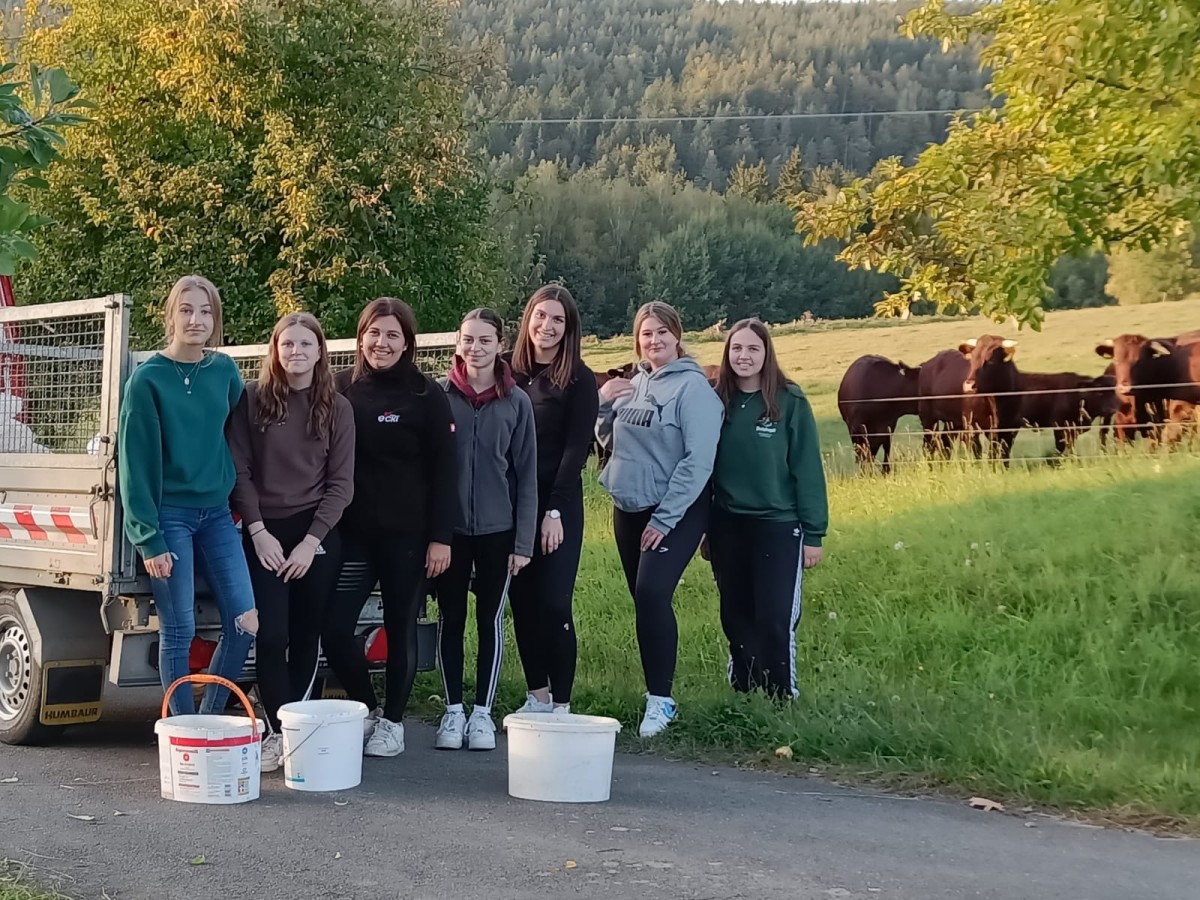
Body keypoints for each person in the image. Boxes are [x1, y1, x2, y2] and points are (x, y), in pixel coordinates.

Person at [322, 298, 457, 757]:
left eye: (392, 335)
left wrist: (441, 536)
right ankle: (370, 709)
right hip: (354, 536)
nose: (382, 343)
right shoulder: (339, 388)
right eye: (374, 333)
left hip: (409, 538)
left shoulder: (426, 394)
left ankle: (394, 724)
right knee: (336, 630)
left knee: (400, 628)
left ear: (407, 343)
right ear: (361, 338)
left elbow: (446, 470)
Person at [117, 275, 257, 717]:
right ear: (171, 315)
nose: (196, 320)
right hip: (169, 516)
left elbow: (244, 436)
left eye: (206, 311)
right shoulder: (148, 380)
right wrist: (148, 538)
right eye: (186, 310)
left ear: (215, 319)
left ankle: (209, 721)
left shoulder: (224, 372)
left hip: (217, 515)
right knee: (180, 631)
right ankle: (182, 731)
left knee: (245, 622)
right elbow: (134, 463)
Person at [227, 312, 355, 773]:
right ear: (275, 350)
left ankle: (296, 732)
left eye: (306, 344)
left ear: (320, 351)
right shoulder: (253, 400)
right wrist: (257, 531)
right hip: (264, 532)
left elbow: (341, 484)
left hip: (315, 534)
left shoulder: (337, 408)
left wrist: (310, 542)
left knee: (306, 636)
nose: (296, 352)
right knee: (272, 633)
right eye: (288, 344)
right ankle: (273, 730)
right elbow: (239, 470)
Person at [596, 301, 723, 737]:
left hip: (675, 509)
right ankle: (654, 694)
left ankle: (661, 703)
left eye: (662, 332)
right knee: (641, 598)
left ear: (677, 336)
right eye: (646, 333)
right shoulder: (636, 382)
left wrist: (665, 519)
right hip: (628, 504)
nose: (654, 340)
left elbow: (698, 462)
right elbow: (611, 439)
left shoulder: (694, 391)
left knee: (652, 594)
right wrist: (602, 407)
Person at [709, 318, 828, 700]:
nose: (744, 356)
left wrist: (814, 534)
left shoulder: (789, 401)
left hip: (778, 525)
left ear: (766, 353)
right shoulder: (717, 401)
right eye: (737, 349)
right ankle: (743, 691)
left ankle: (781, 697)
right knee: (735, 613)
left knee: (774, 616)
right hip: (728, 525)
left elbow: (807, 469)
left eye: (753, 349)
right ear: (728, 354)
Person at [437, 308, 537, 751]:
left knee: (488, 620)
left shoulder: (516, 402)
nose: (475, 348)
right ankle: (453, 710)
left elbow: (527, 474)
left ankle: (482, 712)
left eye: (484, 340)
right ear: (458, 344)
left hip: (499, 530)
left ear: (501, 345)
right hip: (450, 532)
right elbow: (429, 472)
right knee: (451, 618)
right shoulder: (440, 397)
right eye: (468, 340)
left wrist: (523, 541)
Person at [506, 285, 598, 715]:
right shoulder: (507, 371)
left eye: (558, 319)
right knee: (522, 604)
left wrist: (554, 510)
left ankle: (561, 703)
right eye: (541, 316)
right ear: (528, 319)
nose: (547, 326)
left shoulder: (579, 379)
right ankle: (536, 696)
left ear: (569, 328)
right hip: (509, 507)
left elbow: (575, 452)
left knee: (555, 603)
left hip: (557, 506)